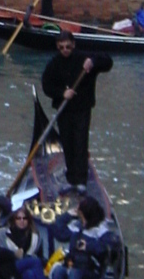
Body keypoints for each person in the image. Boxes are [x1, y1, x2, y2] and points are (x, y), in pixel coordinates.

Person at [41, 34, 113, 191]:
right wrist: (62, 93)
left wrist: (93, 62)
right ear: (57, 47)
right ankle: (71, 177)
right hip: (64, 110)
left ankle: (81, 181)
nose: (65, 50)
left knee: (80, 142)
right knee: (67, 142)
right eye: (61, 47)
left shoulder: (85, 58)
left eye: (67, 46)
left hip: (82, 108)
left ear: (73, 44)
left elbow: (108, 61)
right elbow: (46, 85)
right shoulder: (54, 63)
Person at [0, 202, 51, 279]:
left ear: (28, 220)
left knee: (30, 274)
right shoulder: (4, 234)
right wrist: (14, 255)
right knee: (35, 261)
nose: (22, 221)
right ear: (14, 220)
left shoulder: (35, 236)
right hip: (10, 267)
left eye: (24, 218)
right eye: (18, 218)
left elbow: (41, 256)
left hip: (26, 269)